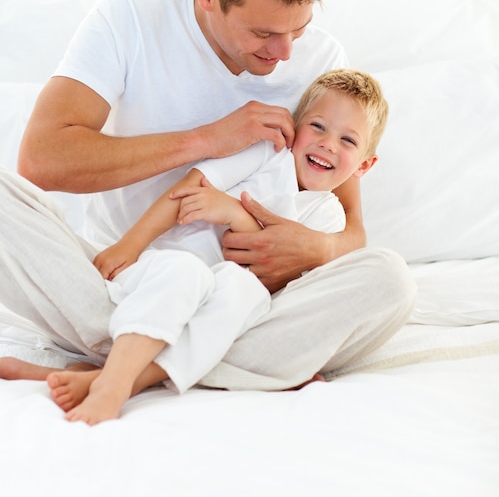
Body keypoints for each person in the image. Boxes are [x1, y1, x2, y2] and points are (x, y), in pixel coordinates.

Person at [0, 0, 416, 394]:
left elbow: (350, 225)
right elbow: (43, 159)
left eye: (298, 29)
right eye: (263, 33)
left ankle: (125, 364)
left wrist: (320, 248)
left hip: (241, 299)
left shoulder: (322, 59)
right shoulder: (130, 17)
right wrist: (206, 140)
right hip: (116, 282)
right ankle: (230, 362)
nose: (285, 53)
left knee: (391, 281)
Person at [43, 68, 387, 425]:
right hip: (169, 274)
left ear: (365, 165)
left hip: (221, 306)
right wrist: (128, 246)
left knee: (245, 293)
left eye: (348, 141)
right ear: (295, 127)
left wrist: (235, 214)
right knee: (187, 272)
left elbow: (273, 279)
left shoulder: (328, 219)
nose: (328, 143)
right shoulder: (265, 155)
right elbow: (188, 191)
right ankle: (110, 385)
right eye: (318, 126)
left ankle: (108, 378)